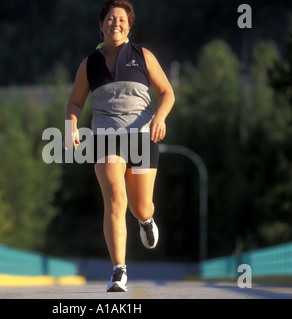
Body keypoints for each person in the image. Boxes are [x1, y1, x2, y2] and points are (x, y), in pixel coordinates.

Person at [63, 0, 175, 292]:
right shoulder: (90, 63)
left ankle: (146, 219)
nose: (116, 24)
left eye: (122, 20)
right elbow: (75, 102)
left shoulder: (143, 56)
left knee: (140, 206)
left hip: (141, 136)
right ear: (101, 26)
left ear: (129, 26)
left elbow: (167, 93)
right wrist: (70, 127)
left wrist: (160, 117)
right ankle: (118, 271)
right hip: (105, 136)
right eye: (110, 19)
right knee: (114, 198)